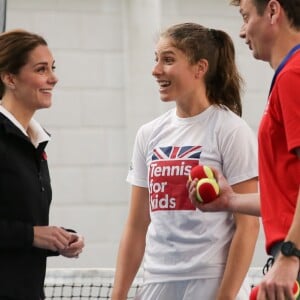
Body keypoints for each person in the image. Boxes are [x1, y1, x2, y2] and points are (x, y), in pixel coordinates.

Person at [112, 22, 259, 300]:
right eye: (156, 60)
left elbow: (248, 225)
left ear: (199, 68)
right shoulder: (148, 134)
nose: (156, 70)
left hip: (211, 279)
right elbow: (136, 224)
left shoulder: (230, 130)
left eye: (168, 60)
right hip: (158, 279)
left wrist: (225, 297)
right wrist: (117, 295)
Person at [188, 1, 300, 299]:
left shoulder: (294, 75)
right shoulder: (288, 75)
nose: (241, 31)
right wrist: (231, 200)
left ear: (273, 12)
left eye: (245, 16)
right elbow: (287, 196)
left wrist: (290, 255)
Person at [0, 29, 84, 300]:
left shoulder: (33, 142)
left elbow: (20, 225)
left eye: (52, 68)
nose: (53, 78)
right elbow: (26, 232)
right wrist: (33, 235)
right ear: (9, 78)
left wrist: (56, 239)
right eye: (41, 69)